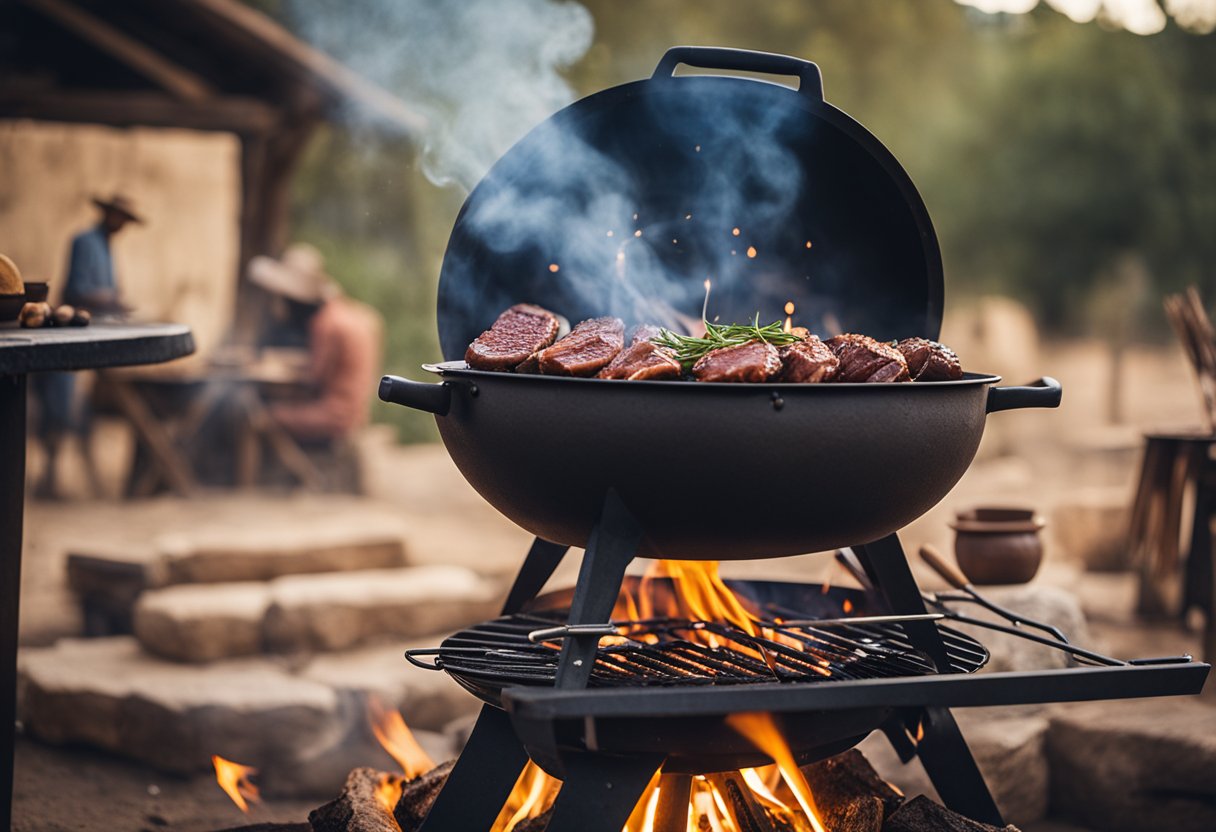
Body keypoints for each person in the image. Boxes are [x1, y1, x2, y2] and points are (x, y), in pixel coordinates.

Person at [33, 194, 142, 498]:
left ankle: (87, 481)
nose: (122, 225)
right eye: (120, 218)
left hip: (94, 336)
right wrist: (112, 300)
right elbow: (78, 290)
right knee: (60, 404)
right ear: (109, 215)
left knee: (87, 408)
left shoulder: (107, 247)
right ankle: (50, 479)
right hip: (71, 335)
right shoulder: (84, 241)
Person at [247, 243, 383, 444]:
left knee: (259, 415)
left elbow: (315, 378)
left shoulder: (326, 324)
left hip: (336, 415)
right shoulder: (349, 315)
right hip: (356, 411)